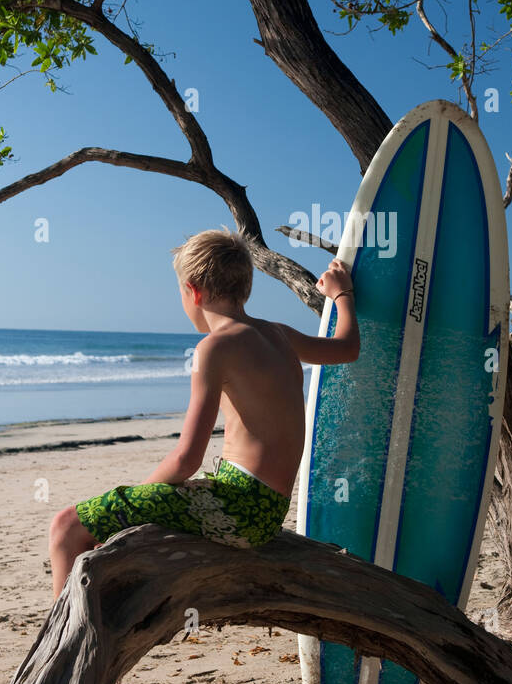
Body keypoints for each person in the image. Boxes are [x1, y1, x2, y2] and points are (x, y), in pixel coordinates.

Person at [48, 229, 359, 599]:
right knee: (99, 522)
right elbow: (347, 348)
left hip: (237, 507)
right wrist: (342, 295)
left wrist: (137, 501)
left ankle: (65, 639)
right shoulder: (278, 333)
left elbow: (186, 459)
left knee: (66, 526)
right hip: (268, 510)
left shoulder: (214, 348)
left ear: (192, 291)